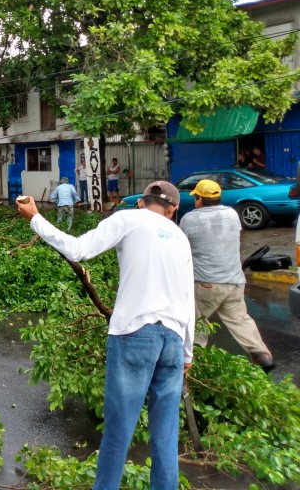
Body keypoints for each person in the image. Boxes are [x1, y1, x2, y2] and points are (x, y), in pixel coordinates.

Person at [16, 181, 194, 490]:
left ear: (141, 202)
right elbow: (188, 299)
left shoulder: (128, 218)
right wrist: (187, 353)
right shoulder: (181, 238)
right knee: (166, 436)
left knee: (118, 431)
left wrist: (35, 216)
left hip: (134, 336)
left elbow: (78, 249)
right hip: (173, 341)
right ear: (173, 210)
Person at [179, 179, 275, 372]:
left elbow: (181, 247)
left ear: (199, 199)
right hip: (234, 282)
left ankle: (194, 366)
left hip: (207, 283)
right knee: (240, 319)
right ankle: (262, 355)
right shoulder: (232, 215)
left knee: (197, 322)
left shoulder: (189, 219)